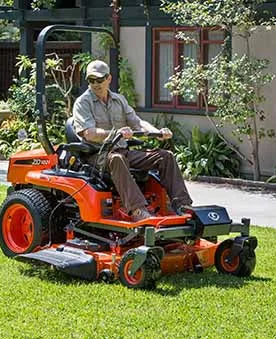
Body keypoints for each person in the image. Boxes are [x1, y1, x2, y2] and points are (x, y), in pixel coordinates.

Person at [72, 60, 193, 221]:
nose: (95, 84)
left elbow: (137, 122)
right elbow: (89, 133)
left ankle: (183, 206)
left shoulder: (119, 100)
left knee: (165, 156)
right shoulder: (82, 103)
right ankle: (138, 210)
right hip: (97, 156)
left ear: (109, 79)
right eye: (91, 80)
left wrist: (157, 132)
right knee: (117, 159)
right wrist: (116, 133)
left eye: (99, 80)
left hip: (123, 151)